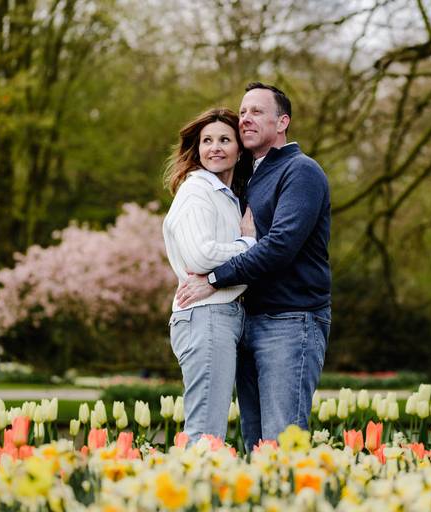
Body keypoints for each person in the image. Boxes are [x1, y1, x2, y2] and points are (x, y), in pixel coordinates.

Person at [177, 83, 331, 452]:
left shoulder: (301, 171)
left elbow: (280, 246)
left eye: (257, 112)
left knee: (282, 442)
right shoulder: (250, 177)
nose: (245, 118)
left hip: (291, 321)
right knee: (255, 444)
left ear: (283, 122)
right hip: (249, 320)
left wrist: (214, 279)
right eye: (243, 111)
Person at [162, 108, 255, 444]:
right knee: (205, 432)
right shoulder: (196, 190)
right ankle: (191, 493)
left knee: (211, 430)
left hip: (222, 313)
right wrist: (249, 244)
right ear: (197, 148)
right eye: (207, 141)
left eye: (224, 140)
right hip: (206, 315)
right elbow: (199, 255)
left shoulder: (226, 196)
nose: (215, 147)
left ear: (239, 149)